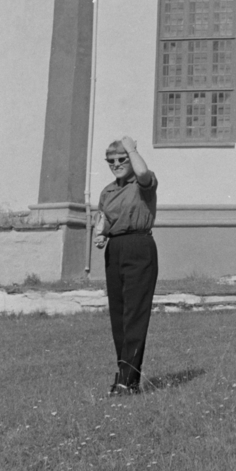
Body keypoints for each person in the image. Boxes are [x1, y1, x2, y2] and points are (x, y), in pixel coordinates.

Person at [94, 136, 158, 395]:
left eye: (122, 159)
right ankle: (127, 378)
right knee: (118, 317)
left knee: (134, 315)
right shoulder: (107, 191)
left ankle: (126, 380)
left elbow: (141, 171)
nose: (117, 164)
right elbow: (103, 220)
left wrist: (132, 148)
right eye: (112, 161)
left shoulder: (143, 183)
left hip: (139, 247)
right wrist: (101, 233)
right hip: (115, 249)